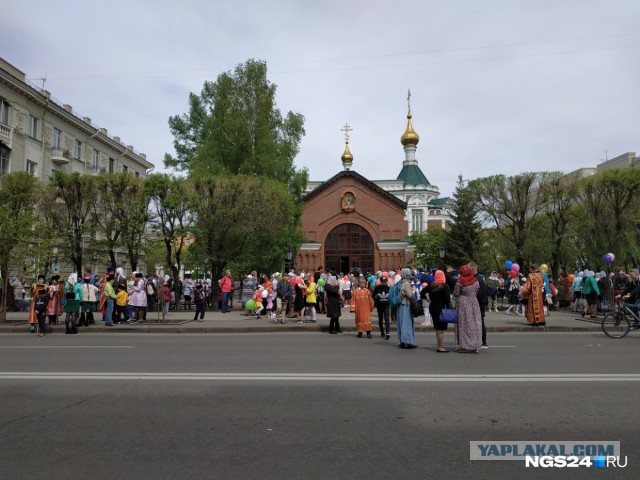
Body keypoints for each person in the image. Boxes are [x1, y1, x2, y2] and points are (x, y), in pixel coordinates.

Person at [453, 265, 482, 353]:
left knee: (463, 324)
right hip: (474, 302)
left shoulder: (459, 282)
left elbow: (456, 293)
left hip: (463, 303)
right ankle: (475, 345)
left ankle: (464, 346)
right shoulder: (476, 281)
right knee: (475, 323)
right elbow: (477, 291)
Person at [426, 270, 452, 352]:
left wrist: (428, 300)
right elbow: (447, 300)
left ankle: (439, 345)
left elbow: (422, 292)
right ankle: (440, 347)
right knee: (441, 329)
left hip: (433, 308)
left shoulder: (431, 285)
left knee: (437, 328)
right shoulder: (445, 287)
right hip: (442, 309)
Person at [397, 268, 417, 349]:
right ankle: (408, 342)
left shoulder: (400, 282)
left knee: (401, 323)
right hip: (406, 305)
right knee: (407, 324)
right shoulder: (406, 283)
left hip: (401, 305)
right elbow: (410, 295)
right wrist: (413, 291)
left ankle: (402, 341)